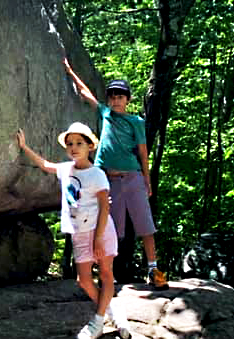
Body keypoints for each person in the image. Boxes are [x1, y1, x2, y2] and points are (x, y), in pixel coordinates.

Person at [16, 122, 131, 339]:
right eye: (70, 144)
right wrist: (24, 147)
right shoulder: (66, 169)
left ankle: (98, 321)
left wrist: (98, 239)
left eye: (79, 143)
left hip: (101, 230)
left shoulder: (97, 174)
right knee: (84, 280)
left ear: (90, 146)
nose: (73, 147)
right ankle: (113, 311)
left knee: (106, 274)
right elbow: (46, 165)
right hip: (79, 233)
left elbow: (105, 208)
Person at [63, 57, 168, 290]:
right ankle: (107, 273)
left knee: (146, 226)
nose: (115, 100)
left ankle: (153, 270)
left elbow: (143, 153)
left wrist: (147, 181)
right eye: (112, 96)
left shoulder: (136, 122)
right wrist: (70, 71)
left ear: (128, 99)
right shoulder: (105, 113)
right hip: (109, 181)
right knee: (112, 229)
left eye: (120, 96)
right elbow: (86, 93)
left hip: (132, 178)